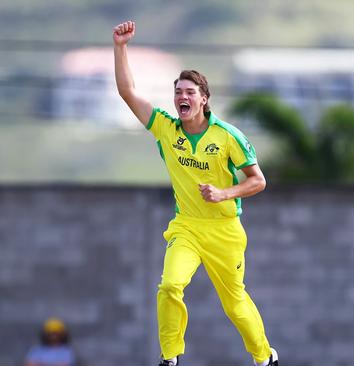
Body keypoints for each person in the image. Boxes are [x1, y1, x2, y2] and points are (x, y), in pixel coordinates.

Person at [112, 20, 279, 366]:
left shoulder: (227, 135)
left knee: (234, 303)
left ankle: (265, 358)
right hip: (187, 226)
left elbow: (258, 180)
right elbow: (128, 92)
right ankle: (170, 358)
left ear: (204, 99)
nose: (182, 98)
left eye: (189, 92)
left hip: (224, 230)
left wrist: (224, 193)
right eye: (178, 92)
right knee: (170, 286)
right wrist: (120, 47)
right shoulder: (165, 127)